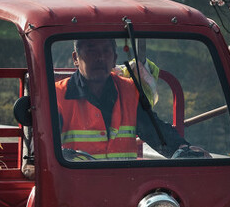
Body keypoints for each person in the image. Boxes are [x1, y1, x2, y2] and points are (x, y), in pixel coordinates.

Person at [54, 37, 193, 161]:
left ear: (114, 58)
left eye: (106, 51)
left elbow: (154, 131)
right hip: (77, 186)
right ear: (75, 59)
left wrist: (183, 149)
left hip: (126, 186)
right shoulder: (57, 96)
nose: (100, 57)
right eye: (91, 51)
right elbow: (42, 146)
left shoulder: (130, 91)